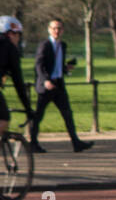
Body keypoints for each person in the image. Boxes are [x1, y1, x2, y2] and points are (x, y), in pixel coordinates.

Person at [30, 18, 92, 153]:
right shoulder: (44, 45)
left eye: (59, 28)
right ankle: (33, 143)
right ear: (49, 29)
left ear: (62, 30)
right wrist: (45, 80)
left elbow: (56, 65)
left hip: (58, 84)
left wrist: (65, 68)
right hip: (46, 86)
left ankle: (76, 142)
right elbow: (39, 65)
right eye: (54, 28)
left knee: (67, 114)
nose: (56, 31)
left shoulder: (62, 45)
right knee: (38, 115)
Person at [0, 16, 33, 139]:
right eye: (18, 34)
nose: (18, 38)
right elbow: (18, 82)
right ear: (10, 33)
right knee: (3, 119)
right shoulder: (9, 48)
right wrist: (28, 108)